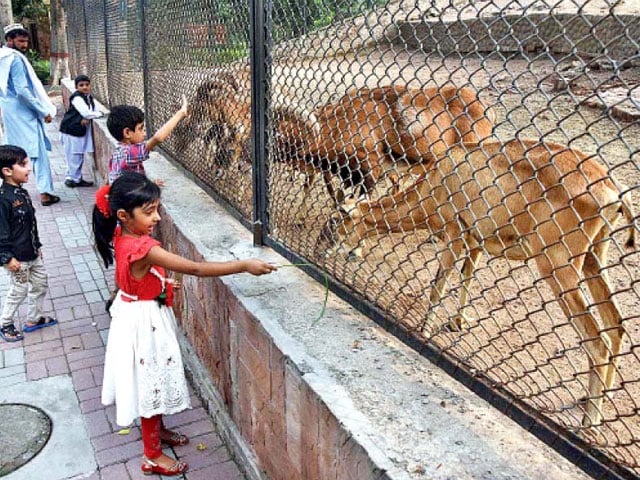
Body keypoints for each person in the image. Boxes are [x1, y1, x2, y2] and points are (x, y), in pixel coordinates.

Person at [92, 172, 276, 476]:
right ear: (124, 215)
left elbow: (135, 280)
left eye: (157, 209)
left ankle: (157, 429)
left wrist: (160, 284)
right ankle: (151, 454)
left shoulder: (123, 235)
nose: (157, 218)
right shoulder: (144, 248)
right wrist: (244, 265)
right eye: (148, 212)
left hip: (135, 312)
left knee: (153, 374)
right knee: (151, 377)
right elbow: (196, 268)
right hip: (144, 322)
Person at [0, 145, 57, 343]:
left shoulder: (21, 193)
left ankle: (34, 319)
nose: (29, 168)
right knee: (18, 290)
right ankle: (6, 323)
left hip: (32, 253)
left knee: (40, 284)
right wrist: (6, 258)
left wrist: (38, 245)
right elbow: (2, 233)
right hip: (17, 259)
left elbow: (30, 223)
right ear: (7, 171)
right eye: (23, 164)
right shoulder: (4, 200)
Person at [0, 23, 59, 207]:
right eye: (20, 41)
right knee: (37, 153)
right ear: (10, 40)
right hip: (24, 113)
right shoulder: (14, 59)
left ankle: (10, 192)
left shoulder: (3, 57)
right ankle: (45, 193)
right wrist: (43, 111)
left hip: (10, 112)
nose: (24, 45)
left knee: (12, 153)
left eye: (26, 41)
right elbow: (23, 91)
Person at [106, 98, 188, 184]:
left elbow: (114, 178)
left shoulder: (118, 152)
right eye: (141, 129)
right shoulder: (128, 153)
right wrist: (180, 114)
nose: (144, 134)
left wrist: (147, 184)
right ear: (127, 133)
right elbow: (157, 138)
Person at [60, 74, 103, 187]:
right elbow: (86, 113)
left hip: (76, 131)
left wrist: (89, 115)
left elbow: (89, 112)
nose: (84, 87)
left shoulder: (88, 97)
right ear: (76, 87)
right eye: (81, 85)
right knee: (74, 155)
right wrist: (99, 114)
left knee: (77, 155)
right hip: (71, 131)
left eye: (87, 85)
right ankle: (73, 179)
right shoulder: (77, 98)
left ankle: (75, 178)